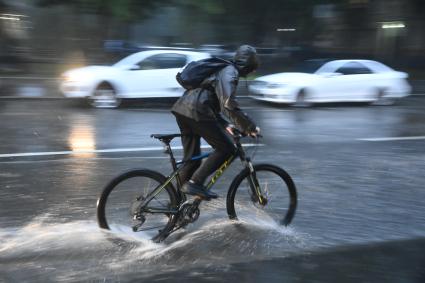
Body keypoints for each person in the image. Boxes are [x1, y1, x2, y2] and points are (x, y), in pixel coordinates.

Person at [171, 45, 260, 200]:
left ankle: (175, 205)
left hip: (184, 110)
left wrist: (226, 125)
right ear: (248, 66)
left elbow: (209, 99)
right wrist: (249, 126)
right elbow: (227, 103)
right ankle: (195, 183)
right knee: (227, 149)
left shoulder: (222, 68)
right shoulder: (230, 71)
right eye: (252, 68)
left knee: (192, 161)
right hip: (197, 112)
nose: (252, 72)